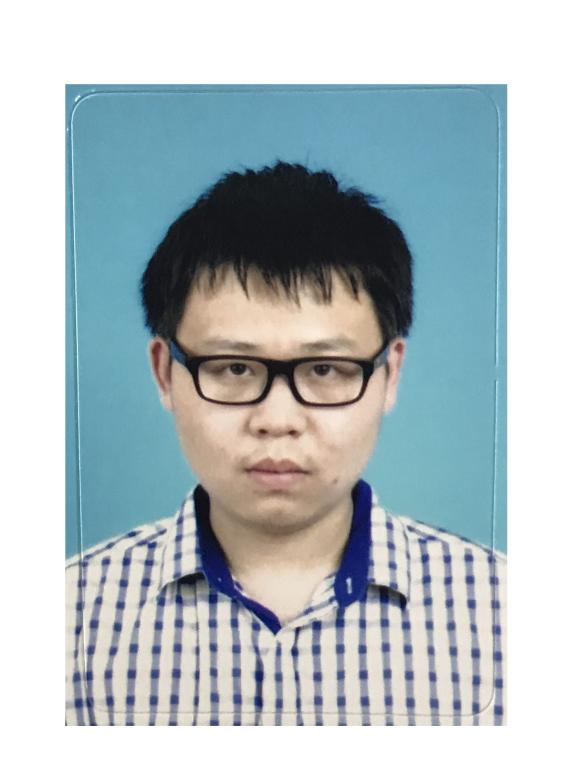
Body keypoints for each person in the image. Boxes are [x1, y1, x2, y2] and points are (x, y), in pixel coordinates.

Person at [66, 161, 505, 726]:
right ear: (164, 373)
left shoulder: (508, 616)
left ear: (390, 374)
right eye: (233, 367)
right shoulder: (64, 619)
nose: (277, 420)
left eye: (324, 369)